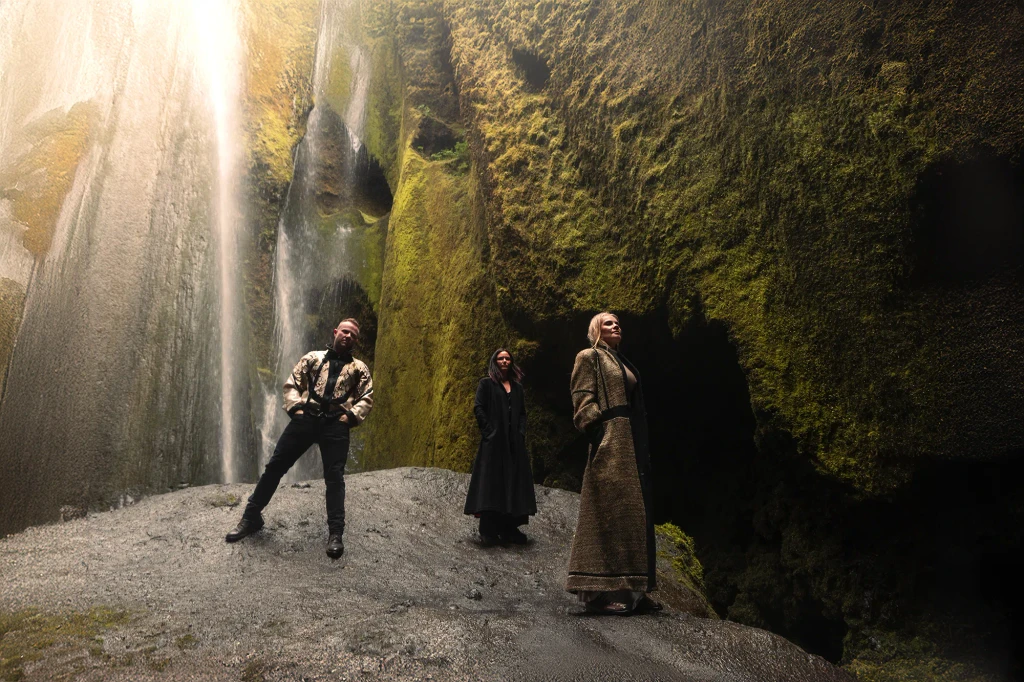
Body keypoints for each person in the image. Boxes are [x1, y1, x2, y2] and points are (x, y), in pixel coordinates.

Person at [225, 318, 373, 559]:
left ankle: (336, 533)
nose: (348, 337)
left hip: (336, 424)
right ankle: (251, 517)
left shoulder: (360, 368)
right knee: (275, 466)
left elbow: (366, 395)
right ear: (335, 331)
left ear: (356, 341)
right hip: (306, 419)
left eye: (354, 335)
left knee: (334, 478)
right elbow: (293, 382)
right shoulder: (313, 357)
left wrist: (351, 417)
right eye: (345, 332)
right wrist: (297, 410)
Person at [565, 312, 660, 615]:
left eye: (618, 322)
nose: (616, 325)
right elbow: (582, 397)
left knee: (632, 515)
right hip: (611, 440)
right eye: (608, 322)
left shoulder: (621, 361)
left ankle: (633, 590)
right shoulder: (589, 356)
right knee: (608, 511)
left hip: (629, 442)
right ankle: (597, 594)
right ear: (596, 329)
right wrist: (599, 431)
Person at [464, 348, 537, 545]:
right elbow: (478, 408)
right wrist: (489, 432)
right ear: (494, 362)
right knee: (492, 483)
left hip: (514, 444)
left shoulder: (518, 388)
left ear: (511, 362)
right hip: (493, 443)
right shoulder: (486, 384)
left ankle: (509, 528)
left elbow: (522, 413)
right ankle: (488, 530)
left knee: (513, 482)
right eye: (500, 358)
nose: (504, 361)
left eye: (507, 358)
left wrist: (520, 433)